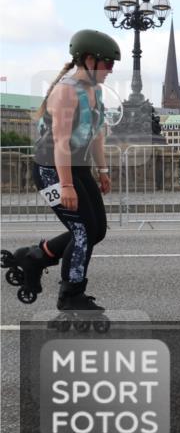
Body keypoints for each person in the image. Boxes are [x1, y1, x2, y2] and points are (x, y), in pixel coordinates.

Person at [2, 29, 119, 311]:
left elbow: (98, 134)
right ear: (89, 60)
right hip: (51, 171)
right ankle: (71, 294)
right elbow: (62, 143)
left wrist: (102, 170)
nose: (110, 70)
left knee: (97, 230)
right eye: (107, 64)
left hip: (77, 168)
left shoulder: (96, 91)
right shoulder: (66, 92)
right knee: (82, 231)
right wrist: (65, 185)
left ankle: (35, 258)